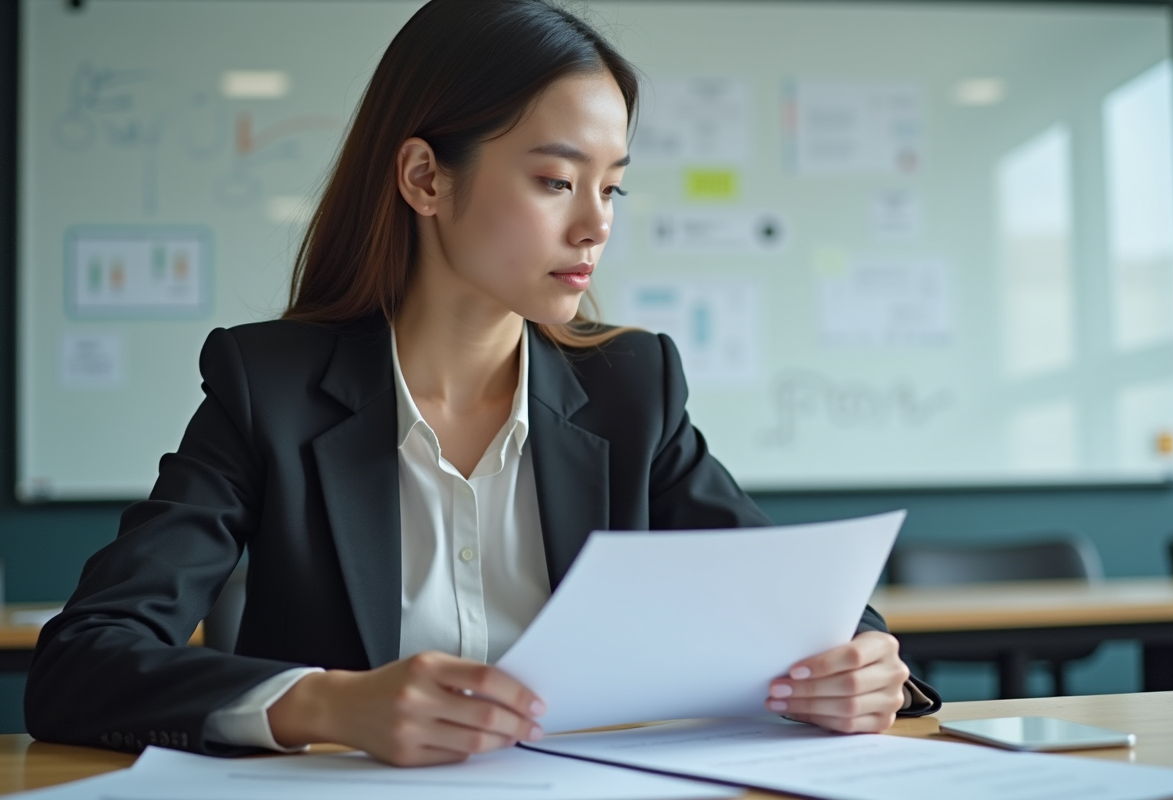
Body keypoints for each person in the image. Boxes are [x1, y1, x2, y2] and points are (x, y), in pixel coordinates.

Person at [25, 0, 939, 767]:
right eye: (556, 181)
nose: (595, 226)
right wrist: (331, 704)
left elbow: (803, 605)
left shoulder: (631, 388)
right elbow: (81, 664)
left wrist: (862, 666)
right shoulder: (270, 388)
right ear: (426, 178)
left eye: (612, 188)